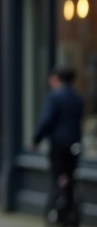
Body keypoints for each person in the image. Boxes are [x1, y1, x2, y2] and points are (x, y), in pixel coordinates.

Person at [34, 65, 85, 215]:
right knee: (71, 172)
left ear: (57, 79)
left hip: (58, 143)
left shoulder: (54, 97)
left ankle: (60, 201)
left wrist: (37, 139)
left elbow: (46, 121)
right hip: (75, 143)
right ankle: (70, 200)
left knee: (58, 173)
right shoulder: (78, 98)